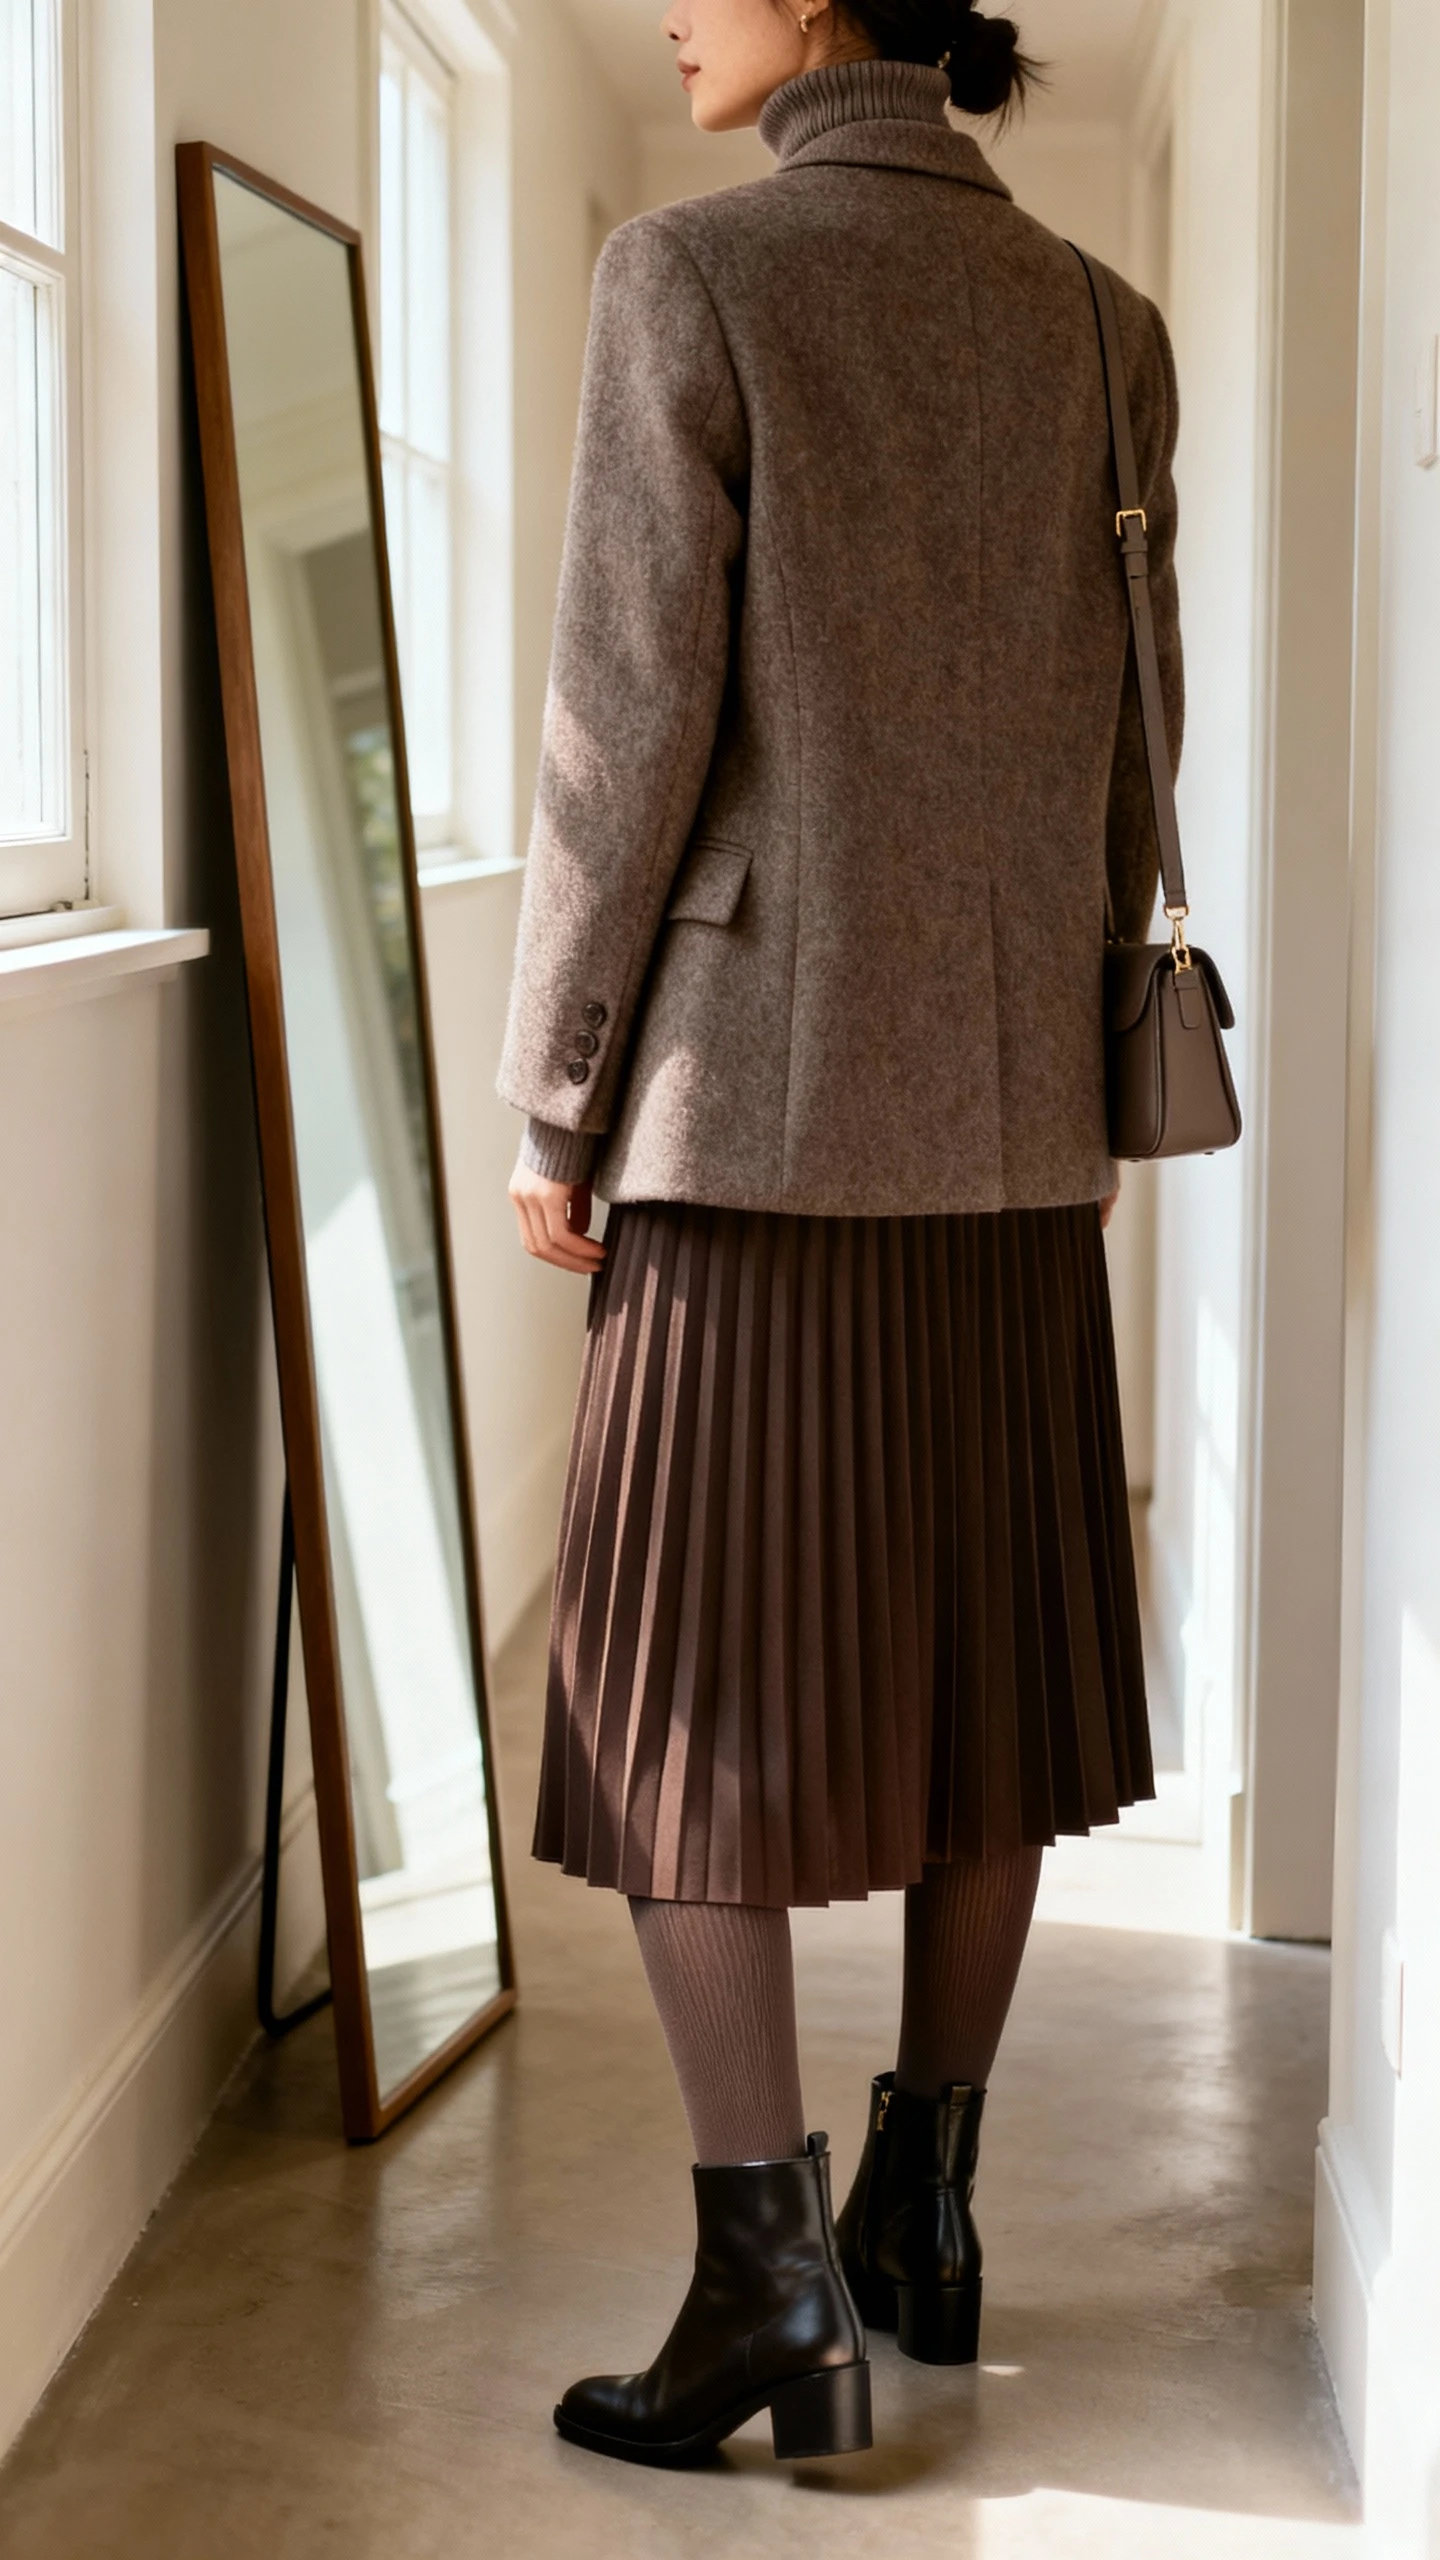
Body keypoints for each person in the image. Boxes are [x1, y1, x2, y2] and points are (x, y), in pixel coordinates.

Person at [500, 0, 1178, 2471]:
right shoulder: (1107, 324)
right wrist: (1076, 1045)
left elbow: (627, 719)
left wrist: (555, 1081)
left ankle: (764, 2289)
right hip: (1012, 1128)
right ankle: (930, 2212)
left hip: (754, 1121)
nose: (668, 8)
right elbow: (1139, 741)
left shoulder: (697, 282)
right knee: (987, 1671)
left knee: (690, 1703)